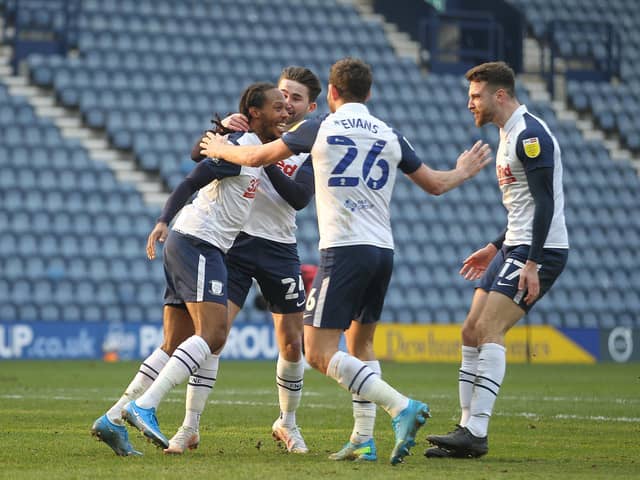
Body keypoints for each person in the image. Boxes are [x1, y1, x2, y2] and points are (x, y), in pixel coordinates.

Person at [199, 57, 493, 465]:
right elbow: (436, 184)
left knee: (317, 350)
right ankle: (363, 438)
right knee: (361, 343)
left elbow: (259, 157)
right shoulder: (390, 134)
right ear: (368, 94)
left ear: (332, 94)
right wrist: (462, 170)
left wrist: (217, 147)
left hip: (344, 250)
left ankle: (400, 406)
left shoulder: (320, 127)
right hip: (382, 252)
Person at [90, 81, 289, 455]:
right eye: (278, 107)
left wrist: (218, 135)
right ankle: (144, 406)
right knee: (213, 335)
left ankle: (113, 419)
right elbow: (194, 176)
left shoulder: (253, 152)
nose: (285, 113)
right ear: (256, 113)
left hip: (192, 242)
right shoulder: (242, 149)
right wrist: (164, 218)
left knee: (174, 343)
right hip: (199, 243)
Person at [425, 61, 569, 459]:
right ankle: (465, 428)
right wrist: (495, 245)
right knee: (470, 331)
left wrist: (534, 263)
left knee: (489, 329)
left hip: (538, 251)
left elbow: (545, 204)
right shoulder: (508, 134)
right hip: (513, 246)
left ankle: (477, 432)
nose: (469, 103)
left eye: (475, 95)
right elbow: (521, 208)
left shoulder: (530, 134)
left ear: (499, 95)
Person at [175, 66, 322, 455]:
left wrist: (260, 156)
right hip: (235, 245)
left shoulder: (310, 144)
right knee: (213, 336)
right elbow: (197, 155)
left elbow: (299, 198)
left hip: (279, 248)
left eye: (296, 99)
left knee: (292, 343)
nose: (287, 104)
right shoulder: (249, 132)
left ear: (311, 106)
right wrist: (225, 128)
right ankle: (189, 426)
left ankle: (287, 423)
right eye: (283, 96)